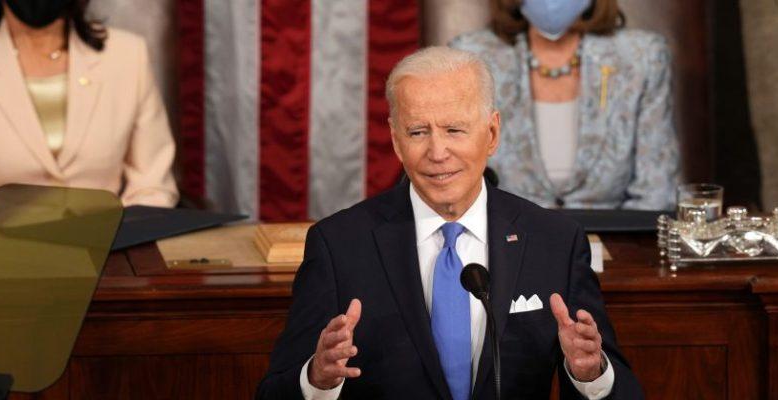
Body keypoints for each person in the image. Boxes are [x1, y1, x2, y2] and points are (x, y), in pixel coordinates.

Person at [257, 47, 641, 399]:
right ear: (395, 140)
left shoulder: (554, 242)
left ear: (491, 134)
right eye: (418, 132)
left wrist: (591, 374)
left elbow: (625, 392)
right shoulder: (338, 245)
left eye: (454, 130)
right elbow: (274, 393)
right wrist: (317, 379)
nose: (437, 153)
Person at [0, 0, 178, 228]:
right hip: (7, 255)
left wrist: (110, 234)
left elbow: (153, 186)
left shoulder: (128, 55)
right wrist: (47, 230)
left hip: (112, 253)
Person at [449, 0, 680, 210]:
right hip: (506, 243)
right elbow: (457, 186)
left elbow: (656, 194)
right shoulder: (470, 58)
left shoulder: (643, 57)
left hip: (614, 242)